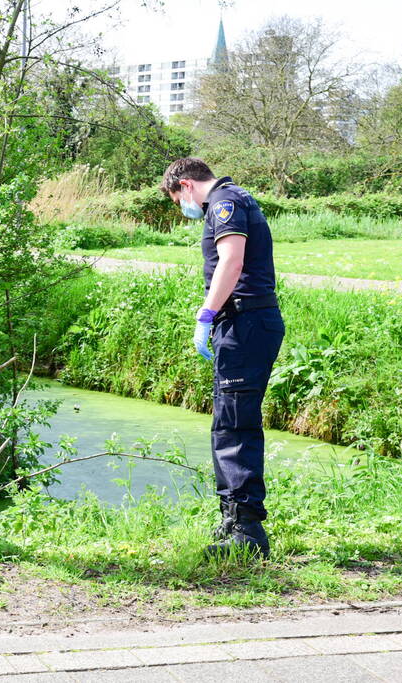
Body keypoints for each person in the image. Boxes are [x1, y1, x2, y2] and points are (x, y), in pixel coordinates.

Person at [160, 158, 285, 559]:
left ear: (186, 185)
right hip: (249, 323)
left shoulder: (224, 203)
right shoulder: (236, 197)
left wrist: (207, 313)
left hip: (244, 321)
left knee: (234, 426)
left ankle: (246, 534)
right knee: (231, 422)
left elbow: (231, 260)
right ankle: (234, 520)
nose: (184, 209)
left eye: (178, 199)